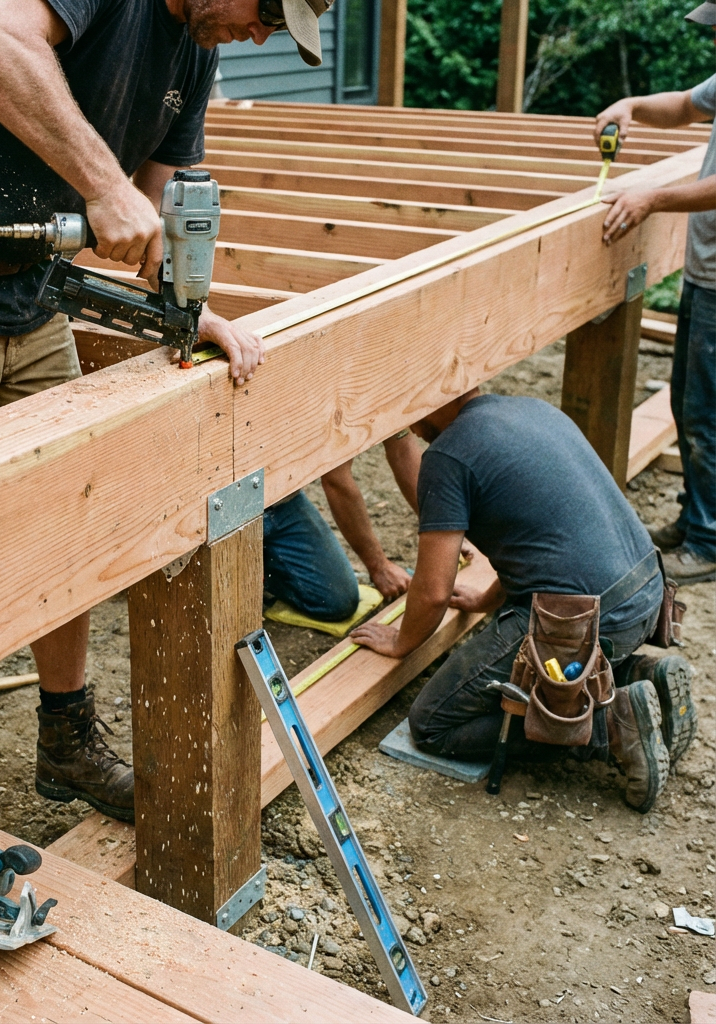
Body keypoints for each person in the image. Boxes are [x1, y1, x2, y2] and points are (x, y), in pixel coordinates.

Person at [0, 0, 334, 822]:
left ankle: (66, 740)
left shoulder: (195, 48)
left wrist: (187, 305)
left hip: (29, 296)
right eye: (265, 12)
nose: (261, 36)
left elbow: (159, 201)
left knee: (72, 518)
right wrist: (103, 186)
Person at [349, 389, 696, 813]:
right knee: (542, 661)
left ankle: (609, 726)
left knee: (434, 723)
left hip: (587, 621)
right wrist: (485, 599)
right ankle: (641, 678)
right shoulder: (527, 408)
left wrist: (401, 641)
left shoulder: (448, 455)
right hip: (647, 595)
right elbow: (531, 541)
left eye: (414, 405)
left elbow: (434, 590)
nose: (412, 424)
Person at [594, 3, 716, 585]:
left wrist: (651, 198)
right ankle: (698, 520)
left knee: (706, 411)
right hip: (705, 271)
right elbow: (688, 105)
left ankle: (709, 539)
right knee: (687, 400)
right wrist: (633, 106)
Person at [263, 432, 423, 621]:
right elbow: (335, 480)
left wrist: (442, 526)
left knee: (338, 600)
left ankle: (265, 564)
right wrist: (379, 567)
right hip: (227, 508)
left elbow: (402, 448)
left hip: (282, 501)